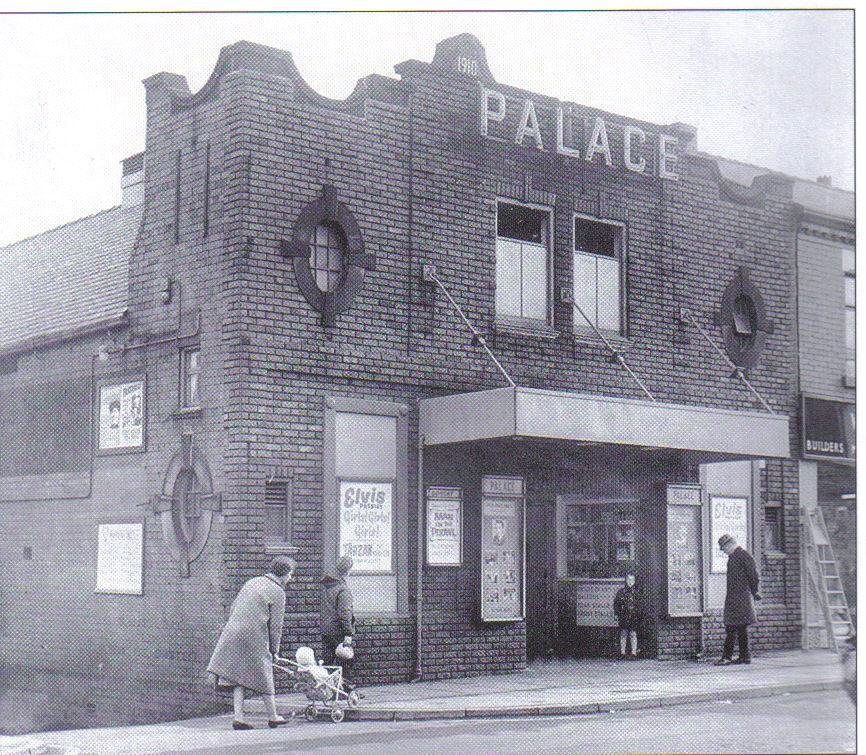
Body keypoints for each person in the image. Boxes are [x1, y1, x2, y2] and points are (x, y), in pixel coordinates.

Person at [207, 556, 296, 729]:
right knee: (264, 672)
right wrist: (274, 650)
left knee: (238, 677)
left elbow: (234, 607)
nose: (291, 578)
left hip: (233, 630)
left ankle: (239, 717)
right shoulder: (278, 592)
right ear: (284, 573)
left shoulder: (253, 582)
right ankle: (273, 716)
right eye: (291, 574)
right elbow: (276, 626)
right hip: (254, 634)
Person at [714, 534, 761, 666]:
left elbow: (753, 575)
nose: (723, 551)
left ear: (730, 545)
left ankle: (728, 657)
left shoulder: (743, 556)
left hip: (741, 598)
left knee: (732, 627)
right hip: (737, 597)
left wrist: (755, 591)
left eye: (723, 548)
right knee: (740, 628)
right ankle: (744, 657)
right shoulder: (734, 557)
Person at [321, 555, 357, 692]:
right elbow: (345, 612)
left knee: (329, 662)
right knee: (346, 660)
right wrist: (348, 632)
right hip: (338, 630)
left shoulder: (326, 585)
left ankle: (328, 690)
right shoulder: (343, 589)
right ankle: (346, 690)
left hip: (325, 628)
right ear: (348, 570)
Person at [613, 573, 640, 658]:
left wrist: (638, 614)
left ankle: (634, 653)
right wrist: (617, 614)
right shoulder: (621, 592)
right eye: (628, 580)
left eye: (632, 580)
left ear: (634, 581)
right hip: (623, 615)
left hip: (633, 615)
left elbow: (640, 605)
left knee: (633, 633)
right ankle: (622, 653)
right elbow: (616, 604)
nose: (630, 582)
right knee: (623, 633)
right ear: (626, 581)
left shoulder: (637, 592)